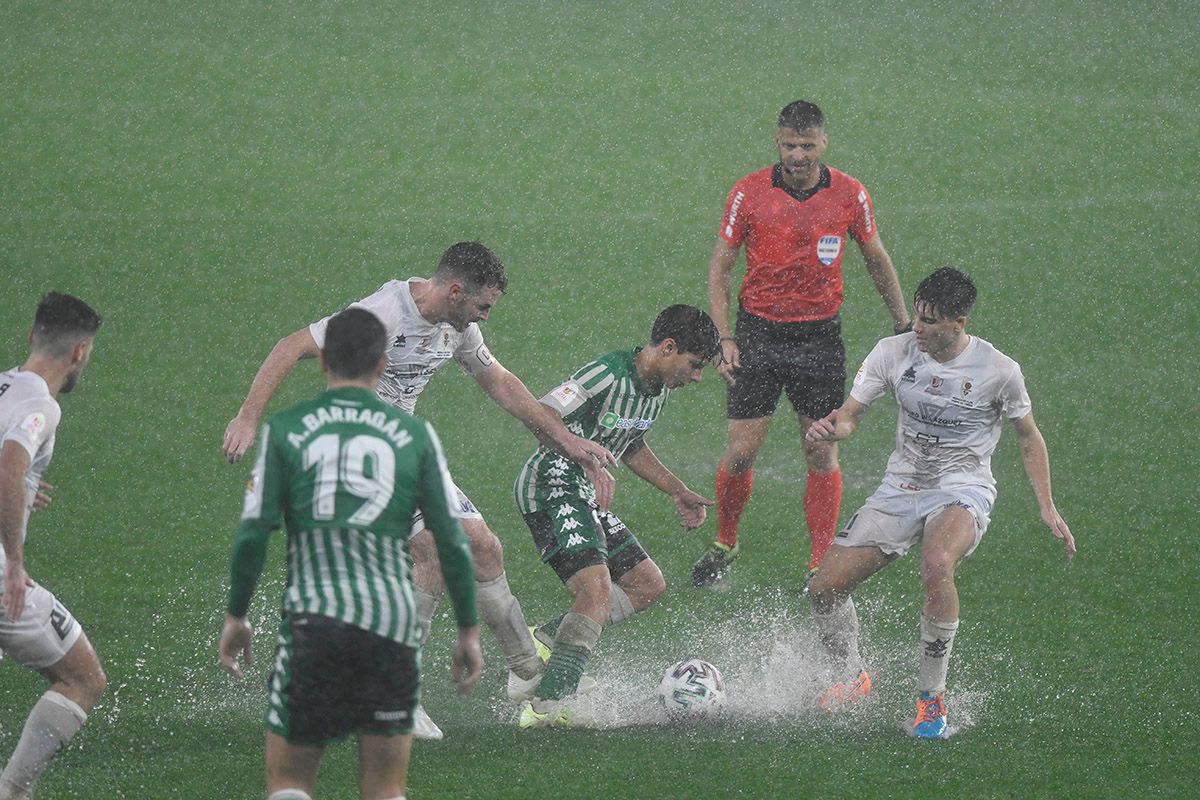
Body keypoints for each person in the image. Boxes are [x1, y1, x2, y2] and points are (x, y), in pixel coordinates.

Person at [222, 241, 615, 738]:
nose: (484, 318)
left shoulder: (458, 326)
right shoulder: (382, 313)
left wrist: (566, 441)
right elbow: (292, 345)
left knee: (485, 548)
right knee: (433, 549)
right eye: (482, 306)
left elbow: (500, 382)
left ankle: (523, 671)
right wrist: (248, 416)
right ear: (455, 291)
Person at [218, 307, 484, 800]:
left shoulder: (288, 431)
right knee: (384, 789)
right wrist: (468, 627)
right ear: (384, 365)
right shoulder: (414, 436)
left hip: (315, 623)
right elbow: (449, 541)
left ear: (322, 364)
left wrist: (236, 614)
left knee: (290, 782)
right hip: (389, 628)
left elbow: (253, 534)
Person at [804, 268, 1076, 738]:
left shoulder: (999, 371)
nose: (917, 327)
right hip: (900, 487)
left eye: (929, 321)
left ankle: (930, 700)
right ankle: (852, 677)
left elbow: (1028, 437)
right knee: (823, 589)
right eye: (917, 315)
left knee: (936, 563)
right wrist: (833, 430)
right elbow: (851, 415)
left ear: (959, 321)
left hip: (962, 487)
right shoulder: (893, 353)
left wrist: (1046, 506)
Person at [692, 100, 911, 589]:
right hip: (756, 335)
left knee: (822, 450)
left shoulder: (851, 195)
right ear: (777, 141)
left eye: (807, 145)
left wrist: (903, 324)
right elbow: (721, 268)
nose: (797, 154)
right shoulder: (748, 193)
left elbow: (876, 258)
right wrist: (723, 336)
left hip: (819, 338)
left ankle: (819, 562)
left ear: (823, 144)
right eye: (789, 145)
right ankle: (727, 540)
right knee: (742, 450)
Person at [514, 305, 720, 728]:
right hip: (551, 485)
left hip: (584, 493)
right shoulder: (607, 373)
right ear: (668, 348)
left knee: (647, 585)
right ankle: (547, 707)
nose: (697, 377)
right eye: (695, 365)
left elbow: (630, 445)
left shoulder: (656, 393)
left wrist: (677, 490)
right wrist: (580, 452)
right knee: (596, 591)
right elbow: (541, 413)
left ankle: (548, 638)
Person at [0, 293, 106, 800]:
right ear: (81, 352)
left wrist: (18, 489)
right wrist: (15, 563)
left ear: (30, 337)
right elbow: (9, 461)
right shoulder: (43, 404)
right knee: (84, 679)